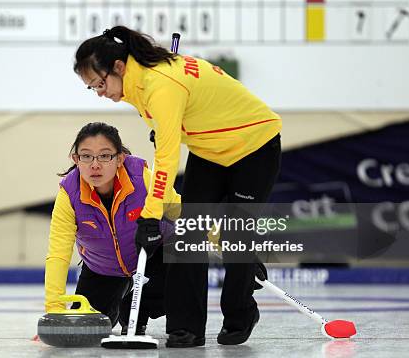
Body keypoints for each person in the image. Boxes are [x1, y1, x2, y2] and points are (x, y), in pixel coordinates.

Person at [73, 26, 282, 347]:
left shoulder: (160, 84)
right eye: (92, 88)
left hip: (253, 145)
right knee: (188, 234)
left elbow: (168, 156)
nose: (100, 92)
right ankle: (186, 327)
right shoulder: (138, 86)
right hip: (209, 148)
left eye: (100, 83)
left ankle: (241, 313)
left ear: (118, 67)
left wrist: (151, 215)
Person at [44, 122, 180, 335]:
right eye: (86, 156)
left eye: (105, 156)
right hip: (102, 266)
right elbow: (58, 254)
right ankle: (118, 299)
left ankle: (138, 307)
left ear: (119, 159)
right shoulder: (68, 194)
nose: (95, 165)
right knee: (86, 330)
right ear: (76, 160)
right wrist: (54, 309)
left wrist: (227, 246)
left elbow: (181, 212)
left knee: (186, 272)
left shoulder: (142, 177)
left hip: (154, 251)